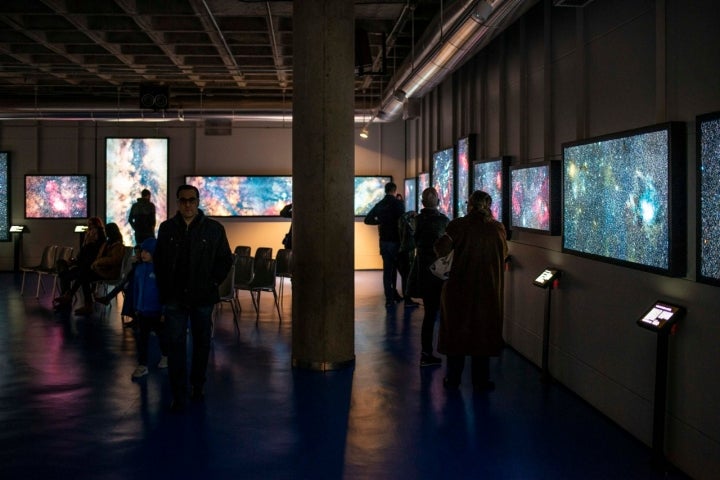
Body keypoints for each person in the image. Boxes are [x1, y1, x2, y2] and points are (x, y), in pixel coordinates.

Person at [153, 184, 233, 413]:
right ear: (178, 202)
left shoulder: (213, 229)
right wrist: (165, 289)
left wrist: (212, 282)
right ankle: (178, 393)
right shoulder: (167, 228)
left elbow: (224, 259)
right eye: (183, 200)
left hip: (202, 297)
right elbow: (159, 261)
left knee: (202, 343)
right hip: (175, 297)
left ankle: (198, 385)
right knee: (175, 345)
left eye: (191, 200)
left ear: (197, 201)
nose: (187, 204)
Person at [434, 190, 508, 391]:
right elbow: (503, 255)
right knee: (482, 336)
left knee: (457, 334)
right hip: (488, 291)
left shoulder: (457, 225)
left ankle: (453, 379)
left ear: (470, 205)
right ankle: (480, 381)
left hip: (459, 289)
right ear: (489, 206)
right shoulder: (498, 229)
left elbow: (441, 249)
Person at [411, 187, 450, 367]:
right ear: (438, 201)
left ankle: (426, 353)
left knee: (429, 315)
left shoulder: (416, 220)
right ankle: (449, 352)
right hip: (441, 273)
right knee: (445, 314)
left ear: (422, 202)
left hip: (423, 272)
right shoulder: (443, 221)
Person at [131, 237, 168, 378]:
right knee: (142, 339)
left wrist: (164, 310)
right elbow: (135, 289)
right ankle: (142, 364)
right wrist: (136, 306)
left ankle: (165, 355)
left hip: (157, 311)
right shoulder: (139, 269)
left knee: (162, 335)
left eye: (147, 251)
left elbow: (165, 292)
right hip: (142, 311)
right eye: (142, 251)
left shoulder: (161, 271)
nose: (143, 254)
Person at [364, 182, 406, 307]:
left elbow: (367, 220)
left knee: (388, 271)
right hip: (396, 242)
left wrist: (379, 221)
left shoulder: (379, 205)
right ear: (394, 190)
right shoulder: (398, 204)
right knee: (403, 271)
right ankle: (406, 297)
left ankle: (389, 299)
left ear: (385, 190)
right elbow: (403, 221)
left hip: (384, 242)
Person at [73, 222, 126, 316]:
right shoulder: (106, 244)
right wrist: (96, 263)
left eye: (107, 231)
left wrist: (97, 263)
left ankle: (85, 303)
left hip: (109, 272)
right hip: (101, 269)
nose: (105, 233)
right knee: (83, 274)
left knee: (83, 275)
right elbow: (99, 256)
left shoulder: (118, 246)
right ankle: (83, 302)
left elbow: (114, 260)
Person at [54, 217, 106, 309]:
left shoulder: (96, 243)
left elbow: (90, 258)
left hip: (88, 267)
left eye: (92, 225)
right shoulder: (87, 241)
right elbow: (81, 256)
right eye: (89, 225)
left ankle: (68, 297)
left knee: (80, 275)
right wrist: (74, 261)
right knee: (63, 271)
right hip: (82, 265)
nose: (90, 228)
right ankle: (66, 298)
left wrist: (77, 261)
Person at [95, 245, 142, 328]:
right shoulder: (137, 264)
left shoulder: (138, 265)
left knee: (124, 284)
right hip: (133, 284)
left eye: (138, 253)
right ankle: (107, 298)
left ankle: (107, 298)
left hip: (135, 285)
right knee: (124, 284)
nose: (137, 255)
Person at [397, 209, 419, 307]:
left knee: (405, 276)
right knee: (407, 276)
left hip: (402, 252)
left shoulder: (402, 226)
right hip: (407, 253)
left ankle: (407, 298)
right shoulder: (409, 228)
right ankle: (407, 299)